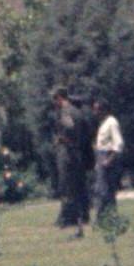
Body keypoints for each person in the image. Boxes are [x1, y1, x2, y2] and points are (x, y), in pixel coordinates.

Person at [52, 89, 88, 236]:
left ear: (60, 98)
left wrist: (62, 139)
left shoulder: (66, 112)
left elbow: (69, 128)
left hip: (68, 153)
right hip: (77, 152)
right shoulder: (79, 112)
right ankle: (82, 215)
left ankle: (69, 218)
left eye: (55, 100)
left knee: (66, 185)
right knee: (78, 186)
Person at [92, 98, 125, 216]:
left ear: (104, 110)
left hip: (108, 157)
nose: (95, 112)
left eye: (97, 110)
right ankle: (108, 216)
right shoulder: (103, 123)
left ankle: (105, 217)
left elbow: (119, 143)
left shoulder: (112, 122)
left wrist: (109, 160)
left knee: (105, 190)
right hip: (101, 156)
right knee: (102, 189)